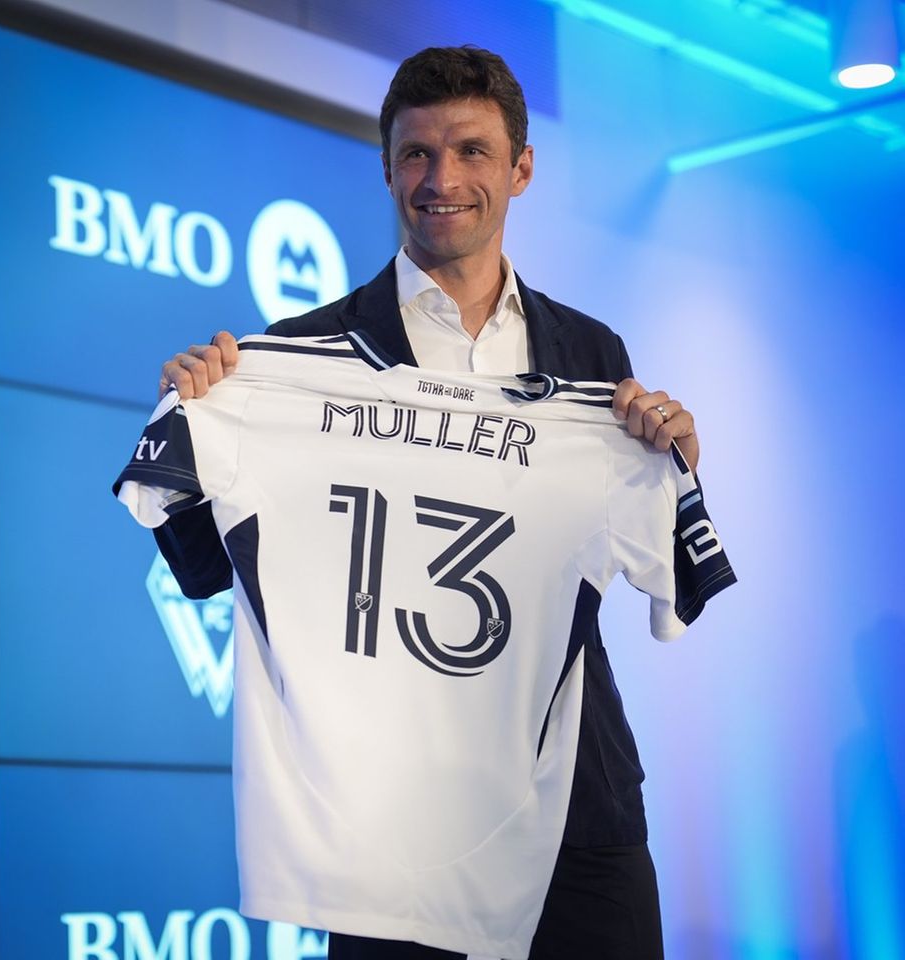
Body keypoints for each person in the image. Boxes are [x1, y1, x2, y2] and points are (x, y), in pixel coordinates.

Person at [155, 47, 701, 960]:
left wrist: (677, 461)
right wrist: (194, 429)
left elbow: (661, 566)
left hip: (577, 810)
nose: (441, 179)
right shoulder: (299, 356)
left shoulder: (590, 350)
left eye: (472, 151)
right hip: (393, 833)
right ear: (387, 168)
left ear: (521, 168)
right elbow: (211, 571)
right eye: (416, 154)